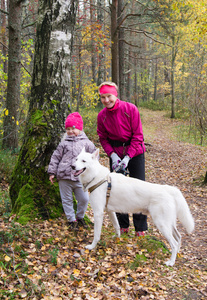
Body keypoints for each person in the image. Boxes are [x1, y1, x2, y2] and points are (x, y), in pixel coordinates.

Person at [97, 81, 148, 236]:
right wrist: (112, 155)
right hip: (116, 155)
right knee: (117, 190)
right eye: (103, 97)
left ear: (115, 95)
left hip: (135, 152)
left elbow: (138, 135)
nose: (106, 100)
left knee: (138, 189)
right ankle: (122, 225)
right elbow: (103, 138)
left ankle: (140, 228)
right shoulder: (102, 116)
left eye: (109, 96)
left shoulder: (130, 109)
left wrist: (128, 158)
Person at [48, 112, 96, 230]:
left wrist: (91, 172)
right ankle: (71, 220)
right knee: (67, 200)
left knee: (84, 199)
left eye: (73, 128)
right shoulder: (63, 144)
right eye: (68, 129)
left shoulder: (87, 143)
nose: (70, 131)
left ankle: (80, 217)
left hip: (80, 178)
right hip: (64, 177)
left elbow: (94, 157)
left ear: (79, 128)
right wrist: (52, 172)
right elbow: (55, 157)